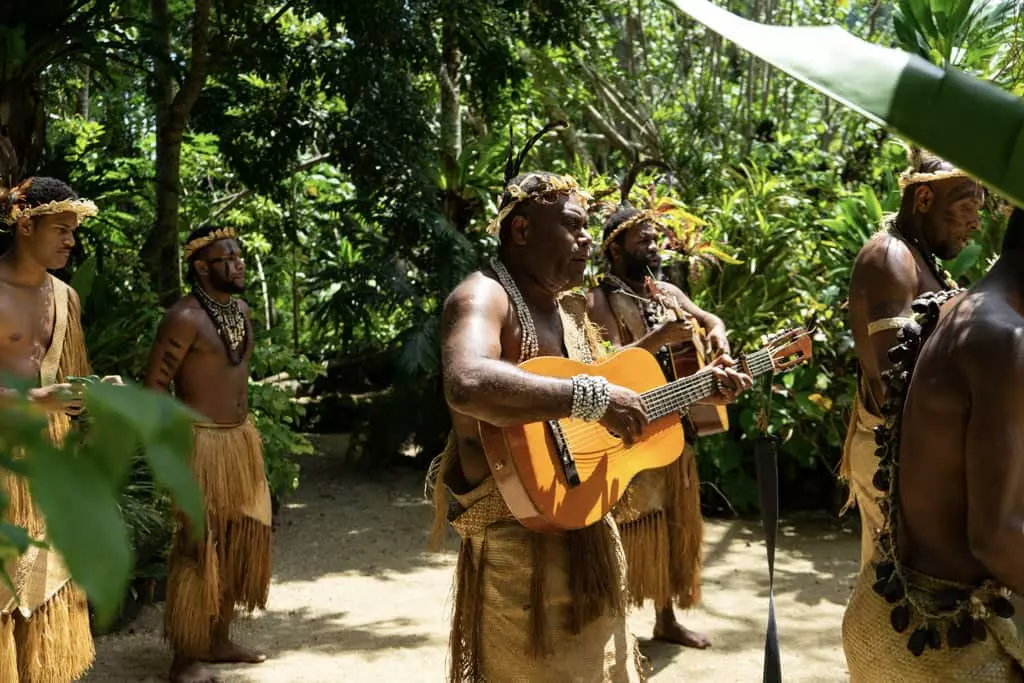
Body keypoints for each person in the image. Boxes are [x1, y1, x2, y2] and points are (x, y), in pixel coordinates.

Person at [426, 124, 748, 682]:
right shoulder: (484, 295)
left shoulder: (570, 310)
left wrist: (698, 391)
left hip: (589, 526)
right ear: (521, 229)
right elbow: (466, 382)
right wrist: (588, 396)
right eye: (572, 227)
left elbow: (618, 408)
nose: (585, 240)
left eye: (586, 229)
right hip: (516, 540)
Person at [842, 206, 1024, 679]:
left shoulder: (955, 309)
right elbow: (995, 538)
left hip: (890, 607)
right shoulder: (1004, 340)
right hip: (947, 639)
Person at [586, 195, 747, 650]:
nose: (655, 249)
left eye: (657, 240)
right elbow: (603, 368)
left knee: (676, 518)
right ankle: (610, 623)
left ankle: (665, 620)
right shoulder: (601, 301)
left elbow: (707, 318)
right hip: (633, 428)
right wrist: (657, 338)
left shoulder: (667, 293)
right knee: (636, 520)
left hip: (679, 422)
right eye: (645, 241)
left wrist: (716, 330)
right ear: (616, 249)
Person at [841, 146, 981, 569]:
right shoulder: (890, 258)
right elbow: (895, 379)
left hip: (912, 452)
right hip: (896, 455)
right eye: (967, 206)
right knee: (894, 593)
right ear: (923, 199)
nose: (975, 223)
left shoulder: (917, 259)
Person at [144, 225, 272, 683]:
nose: (238, 263)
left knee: (240, 542)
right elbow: (155, 387)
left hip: (240, 441)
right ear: (202, 267)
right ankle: (185, 656)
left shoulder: (239, 311)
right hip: (199, 444)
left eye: (239, 255)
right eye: (228, 258)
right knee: (199, 548)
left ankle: (218, 639)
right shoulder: (183, 317)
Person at [0, 176, 103, 681]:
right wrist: (39, 400)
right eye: (61, 229)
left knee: (48, 594)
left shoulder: (66, 298)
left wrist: (93, 397)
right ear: (24, 225)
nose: (71, 240)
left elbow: (69, 391)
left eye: (73, 231)